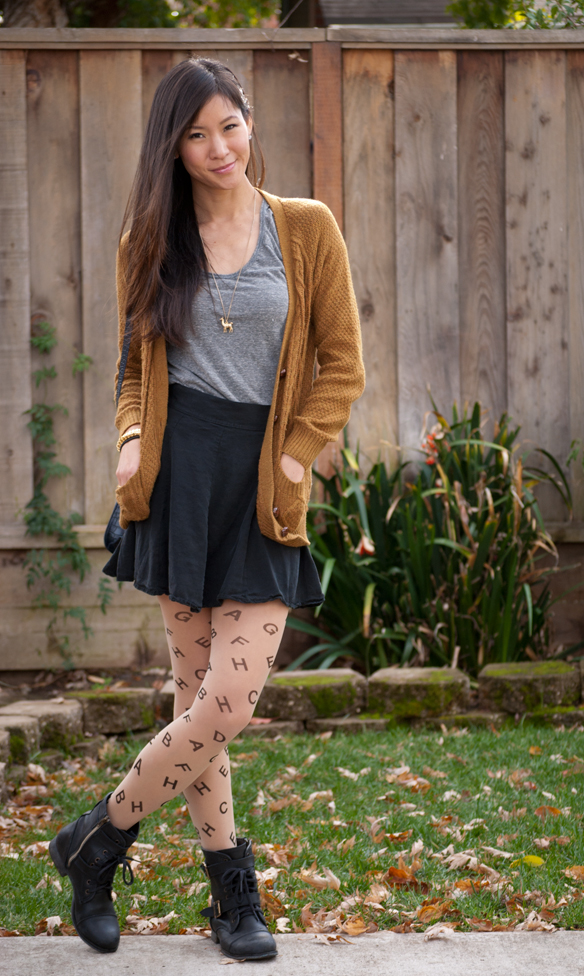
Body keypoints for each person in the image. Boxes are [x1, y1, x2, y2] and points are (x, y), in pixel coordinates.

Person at [48, 57, 365, 961]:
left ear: (250, 122)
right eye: (196, 134)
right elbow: (132, 371)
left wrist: (299, 458)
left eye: (230, 125)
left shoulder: (305, 229)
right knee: (198, 699)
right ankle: (233, 895)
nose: (218, 147)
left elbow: (342, 364)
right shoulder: (148, 240)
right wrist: (129, 442)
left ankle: (96, 841)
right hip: (179, 484)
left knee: (227, 698)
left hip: (263, 484)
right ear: (173, 148)